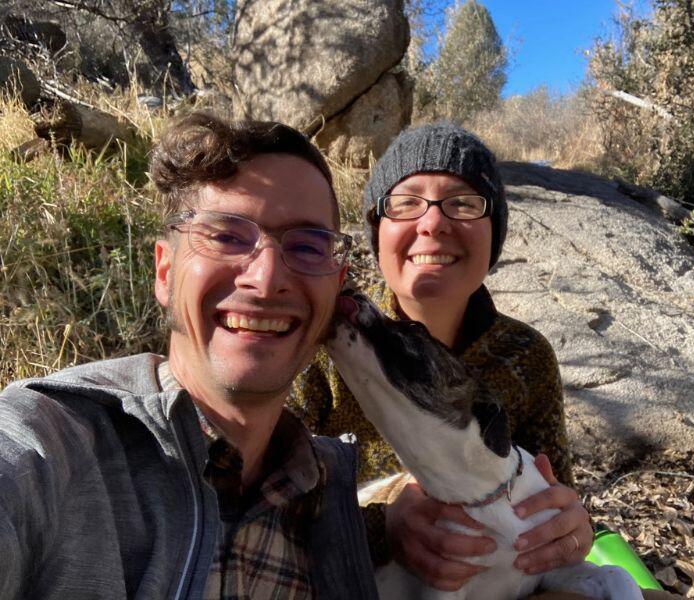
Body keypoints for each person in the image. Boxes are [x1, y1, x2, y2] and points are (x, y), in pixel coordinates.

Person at [0, 113, 378, 599]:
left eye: (307, 246)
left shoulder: (329, 498)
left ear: (338, 282)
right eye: (225, 236)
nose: (265, 278)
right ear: (165, 271)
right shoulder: (55, 446)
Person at [291, 122, 594, 591]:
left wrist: (571, 530)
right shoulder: (322, 341)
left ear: (493, 235)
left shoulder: (525, 355)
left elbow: (550, 505)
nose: (433, 222)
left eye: (464, 203)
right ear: (377, 227)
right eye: (407, 202)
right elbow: (257, 513)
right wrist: (380, 527)